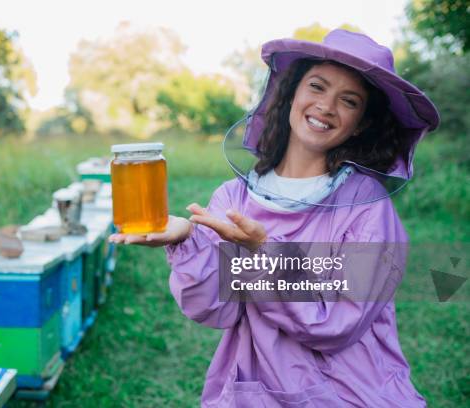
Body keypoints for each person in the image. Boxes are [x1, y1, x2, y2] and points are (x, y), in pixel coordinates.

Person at [109, 29, 439, 407]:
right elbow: (216, 309)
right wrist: (186, 242)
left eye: (349, 101)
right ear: (292, 92)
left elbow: (337, 322)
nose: (327, 106)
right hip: (256, 391)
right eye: (317, 87)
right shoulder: (233, 197)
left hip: (348, 393)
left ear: (361, 123)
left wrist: (261, 251)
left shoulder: (368, 207)